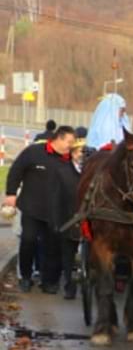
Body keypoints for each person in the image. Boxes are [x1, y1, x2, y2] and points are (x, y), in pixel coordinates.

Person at [4, 126, 78, 294]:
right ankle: (26, 277)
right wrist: (11, 193)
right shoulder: (34, 152)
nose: (71, 145)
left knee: (53, 246)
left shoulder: (69, 160)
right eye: (69, 142)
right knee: (28, 241)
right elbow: (16, 170)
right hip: (31, 208)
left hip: (56, 212)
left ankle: (49, 281)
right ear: (58, 138)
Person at [56, 135, 87, 300]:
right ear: (73, 153)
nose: (82, 155)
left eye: (85, 152)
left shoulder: (93, 170)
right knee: (68, 255)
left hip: (89, 220)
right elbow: (55, 197)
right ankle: (69, 285)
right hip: (69, 218)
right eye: (79, 151)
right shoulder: (63, 172)